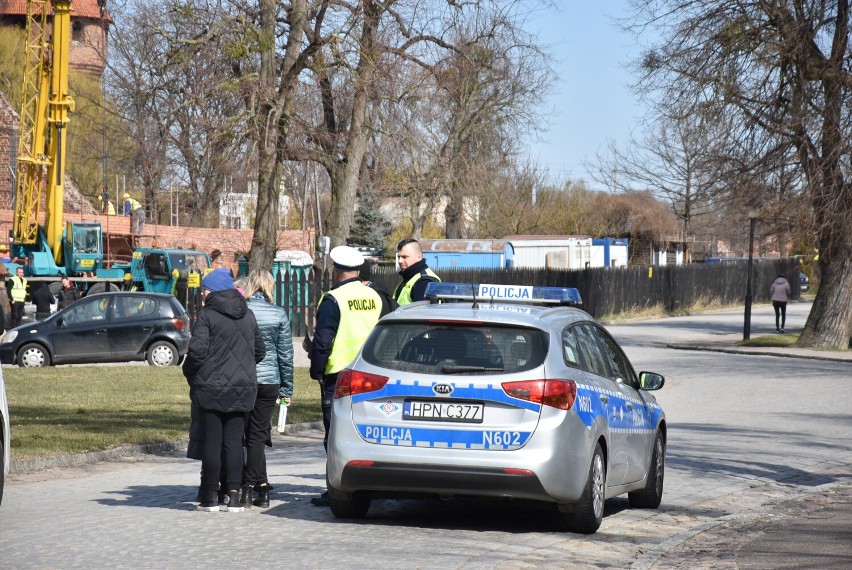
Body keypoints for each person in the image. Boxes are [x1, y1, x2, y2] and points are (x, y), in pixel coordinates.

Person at [309, 246, 390, 506]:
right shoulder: (375, 297)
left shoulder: (333, 299)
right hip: (372, 374)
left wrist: (317, 371)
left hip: (340, 376)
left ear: (336, 271)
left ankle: (336, 489)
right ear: (357, 270)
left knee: (335, 434)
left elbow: (323, 341)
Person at [182, 268, 266, 512]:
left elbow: (196, 352)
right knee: (233, 441)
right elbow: (260, 352)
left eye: (205, 290)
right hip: (242, 388)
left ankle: (209, 497)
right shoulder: (248, 314)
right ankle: (233, 495)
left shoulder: (207, 316)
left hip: (211, 388)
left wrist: (189, 371)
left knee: (212, 442)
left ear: (214, 291)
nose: (203, 294)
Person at [239, 269, 294, 509]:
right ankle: (260, 487)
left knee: (248, 436)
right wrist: (287, 388)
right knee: (258, 436)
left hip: (244, 379)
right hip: (270, 381)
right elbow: (285, 355)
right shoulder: (278, 314)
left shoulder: (242, 311)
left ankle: (250, 487)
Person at [393, 238, 440, 306]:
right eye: (399, 257)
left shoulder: (424, 281)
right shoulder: (410, 277)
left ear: (419, 257)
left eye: (404, 257)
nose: (400, 261)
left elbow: (421, 314)